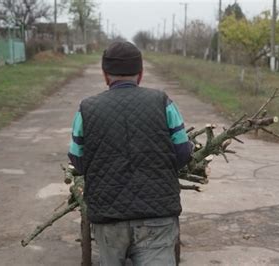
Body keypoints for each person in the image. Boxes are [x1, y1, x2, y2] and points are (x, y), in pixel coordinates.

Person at [68, 41, 192, 265]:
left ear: (105, 75)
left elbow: (77, 159)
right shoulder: (163, 102)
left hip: (108, 219)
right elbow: (183, 152)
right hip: (158, 217)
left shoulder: (86, 109)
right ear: (141, 73)